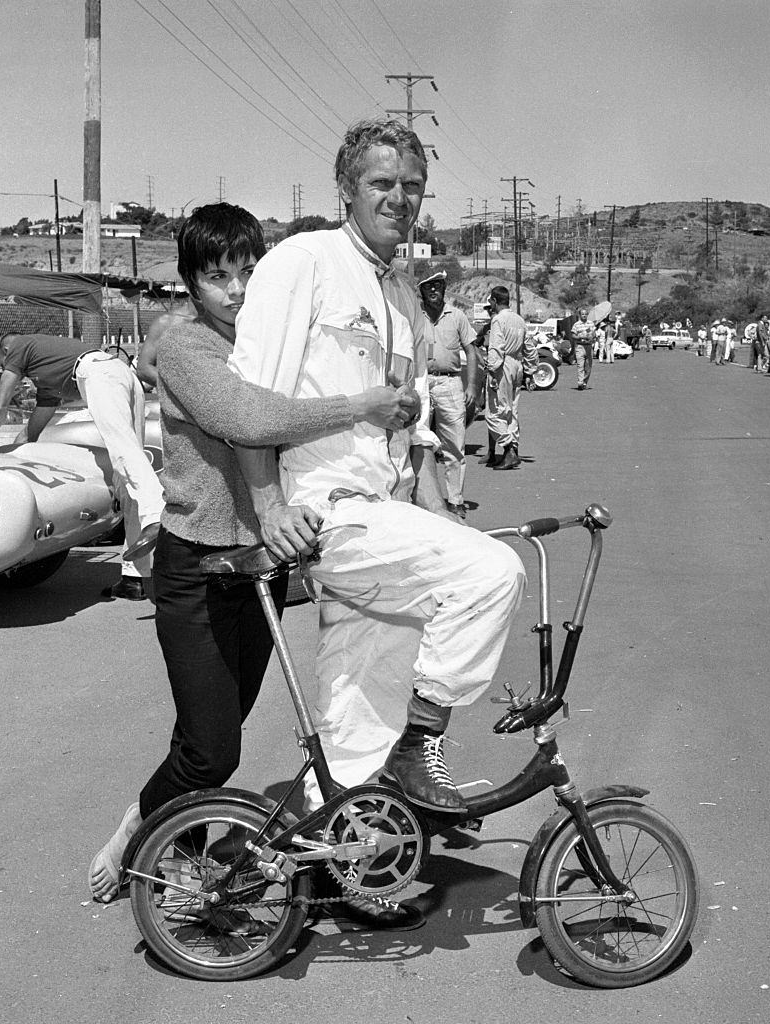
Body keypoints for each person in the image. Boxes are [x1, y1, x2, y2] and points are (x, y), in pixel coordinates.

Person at [87, 203, 418, 927]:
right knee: (211, 749)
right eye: (217, 278)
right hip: (197, 566)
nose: (235, 291)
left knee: (208, 736)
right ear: (190, 281)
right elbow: (249, 420)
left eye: (247, 272)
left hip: (261, 568)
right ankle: (151, 845)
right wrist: (362, 404)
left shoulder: (272, 336)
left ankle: (159, 832)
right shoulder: (182, 344)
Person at [227, 119, 526, 824]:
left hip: (383, 512)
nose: (399, 198)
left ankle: (320, 864)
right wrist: (270, 511)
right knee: (492, 573)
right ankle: (422, 735)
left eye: (412, 187)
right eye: (382, 183)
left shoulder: (396, 290)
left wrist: (432, 508)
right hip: (326, 510)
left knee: (358, 718)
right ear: (345, 188)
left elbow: (403, 426)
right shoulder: (304, 262)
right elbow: (247, 403)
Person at [0, 332, 164, 600]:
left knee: (124, 455)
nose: (9, 370)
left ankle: (155, 511)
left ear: (5, 352)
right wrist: (9, 453)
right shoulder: (49, 380)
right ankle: (135, 577)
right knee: (127, 475)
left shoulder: (17, 345)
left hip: (99, 375)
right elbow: (32, 433)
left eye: (5, 364)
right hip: (120, 374)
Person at [418, 269, 479, 518]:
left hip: (450, 383)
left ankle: (455, 500)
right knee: (417, 442)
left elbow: (472, 351)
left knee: (454, 445)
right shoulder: (413, 315)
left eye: (438, 286)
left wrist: (472, 385)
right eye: (429, 286)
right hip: (420, 382)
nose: (434, 290)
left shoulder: (457, 316)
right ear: (421, 291)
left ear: (444, 288)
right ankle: (421, 500)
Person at [484, 285, 536, 468]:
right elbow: (530, 347)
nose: (490, 305)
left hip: (503, 365)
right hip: (517, 365)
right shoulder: (519, 320)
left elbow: (496, 347)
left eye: (491, 301)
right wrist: (529, 371)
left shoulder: (498, 320)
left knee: (494, 412)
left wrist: (492, 370)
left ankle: (508, 449)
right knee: (512, 411)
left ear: (495, 301)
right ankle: (514, 446)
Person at [570, 306, 595, 389]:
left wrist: (592, 336)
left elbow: (594, 333)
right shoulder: (576, 325)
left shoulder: (590, 323)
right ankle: (580, 383)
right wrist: (581, 337)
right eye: (582, 314)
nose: (584, 315)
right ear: (580, 315)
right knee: (580, 366)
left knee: (588, 367)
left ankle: (584, 382)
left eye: (585, 314)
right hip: (580, 346)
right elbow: (573, 335)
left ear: (587, 315)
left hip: (589, 346)